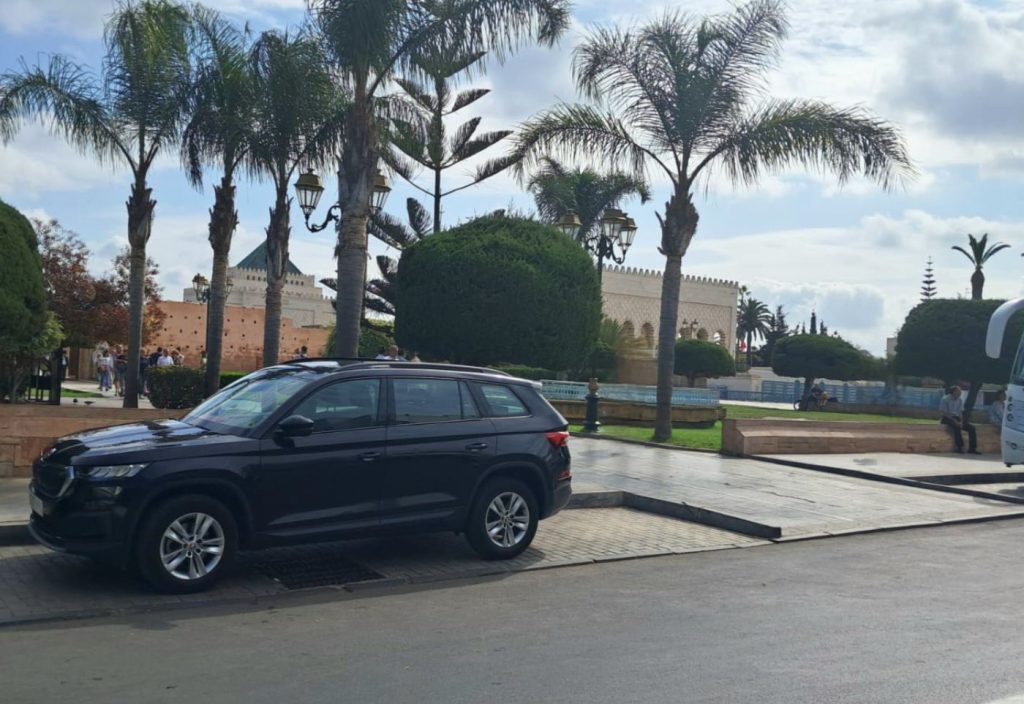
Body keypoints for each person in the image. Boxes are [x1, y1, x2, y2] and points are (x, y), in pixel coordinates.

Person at [940, 385, 980, 455]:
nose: (960, 393)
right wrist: (955, 421)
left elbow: (960, 412)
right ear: (954, 392)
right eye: (958, 392)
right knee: (957, 427)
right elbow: (944, 413)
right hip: (947, 418)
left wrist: (961, 421)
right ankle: (959, 447)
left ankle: (972, 448)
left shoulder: (959, 400)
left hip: (957, 417)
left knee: (971, 428)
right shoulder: (945, 399)